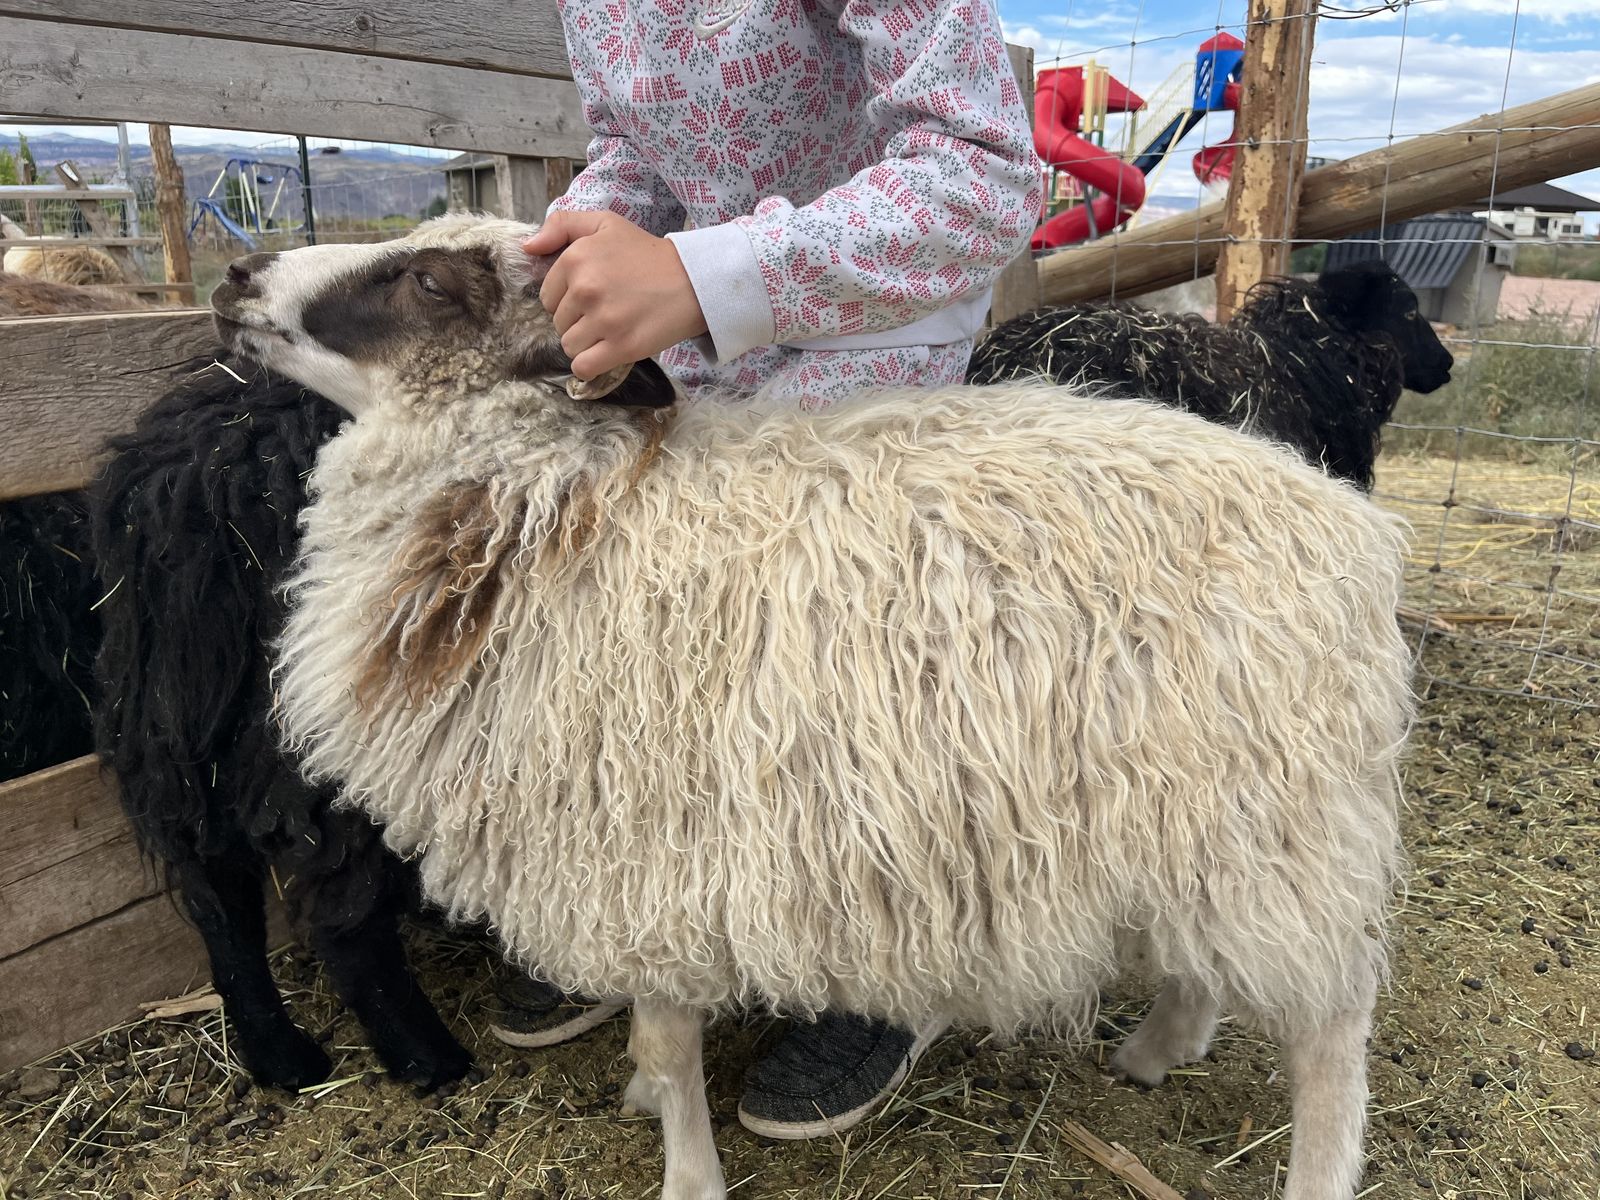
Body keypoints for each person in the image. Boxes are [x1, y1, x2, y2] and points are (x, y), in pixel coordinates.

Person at [490, 0, 1041, 1141]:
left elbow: (979, 169)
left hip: (866, 313)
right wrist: (579, 248)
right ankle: (658, 923)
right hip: (682, 317)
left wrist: (712, 272)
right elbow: (638, 145)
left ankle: (893, 963)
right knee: (664, 631)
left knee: (843, 658)